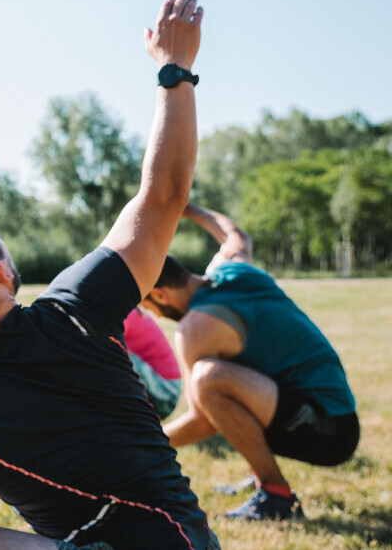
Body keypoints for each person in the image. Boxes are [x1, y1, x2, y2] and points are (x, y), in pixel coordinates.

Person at [0, 0, 217, 549]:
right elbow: (164, 194)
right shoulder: (78, 305)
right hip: (179, 542)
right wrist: (175, 69)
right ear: (2, 268)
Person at [141, 203, 359, 522]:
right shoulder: (232, 271)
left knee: (207, 379)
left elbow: (203, 421)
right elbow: (234, 234)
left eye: (147, 307)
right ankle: (260, 472)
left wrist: (142, 440)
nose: (154, 316)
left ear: (160, 295)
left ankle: (277, 497)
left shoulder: (196, 329)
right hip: (337, 415)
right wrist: (185, 208)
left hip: (328, 433)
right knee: (226, 372)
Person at [124, 307, 183, 419]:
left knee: (109, 351)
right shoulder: (126, 309)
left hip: (167, 394)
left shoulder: (122, 313)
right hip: (162, 389)